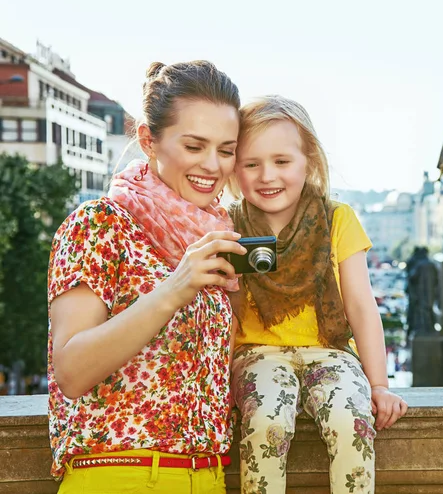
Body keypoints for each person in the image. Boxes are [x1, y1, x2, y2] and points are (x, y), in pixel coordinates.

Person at [47, 60, 247, 494]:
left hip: (210, 477)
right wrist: (175, 288)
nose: (212, 166)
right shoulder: (99, 224)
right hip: (120, 474)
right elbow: (72, 370)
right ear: (148, 140)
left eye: (226, 150)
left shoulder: (219, 237)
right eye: (195, 146)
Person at [227, 95, 409, 494]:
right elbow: (226, 314)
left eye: (281, 161)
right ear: (234, 168)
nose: (266, 175)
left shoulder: (337, 218)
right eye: (251, 163)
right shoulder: (228, 225)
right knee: (265, 422)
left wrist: (378, 385)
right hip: (258, 352)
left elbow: (361, 306)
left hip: (331, 351)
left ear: (307, 161)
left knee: (351, 420)